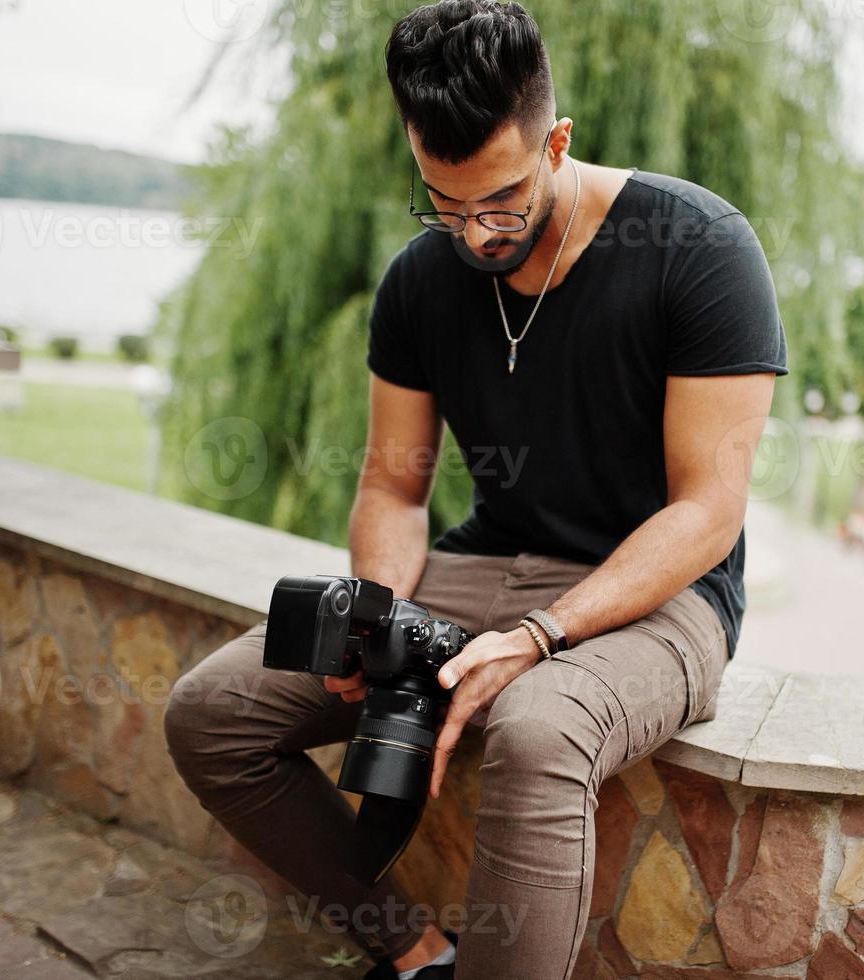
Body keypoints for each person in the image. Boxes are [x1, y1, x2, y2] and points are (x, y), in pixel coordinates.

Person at [164, 2, 787, 977]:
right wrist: (377, 613)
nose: (475, 231)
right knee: (212, 711)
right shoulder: (419, 283)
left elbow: (708, 508)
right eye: (444, 204)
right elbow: (394, 489)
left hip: (664, 599)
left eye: (499, 199)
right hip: (485, 567)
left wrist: (541, 636)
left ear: (557, 143)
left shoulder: (697, 248)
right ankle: (415, 952)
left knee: (539, 731)